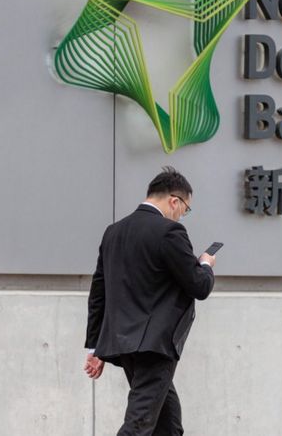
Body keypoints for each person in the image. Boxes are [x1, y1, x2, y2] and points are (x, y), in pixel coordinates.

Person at [83, 166, 216, 435]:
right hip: (155, 346)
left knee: (169, 425)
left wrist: (94, 347)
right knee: (139, 424)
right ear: (174, 201)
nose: (182, 215)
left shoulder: (113, 232)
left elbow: (98, 293)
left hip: (123, 344)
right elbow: (199, 286)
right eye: (185, 209)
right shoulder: (170, 232)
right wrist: (205, 264)